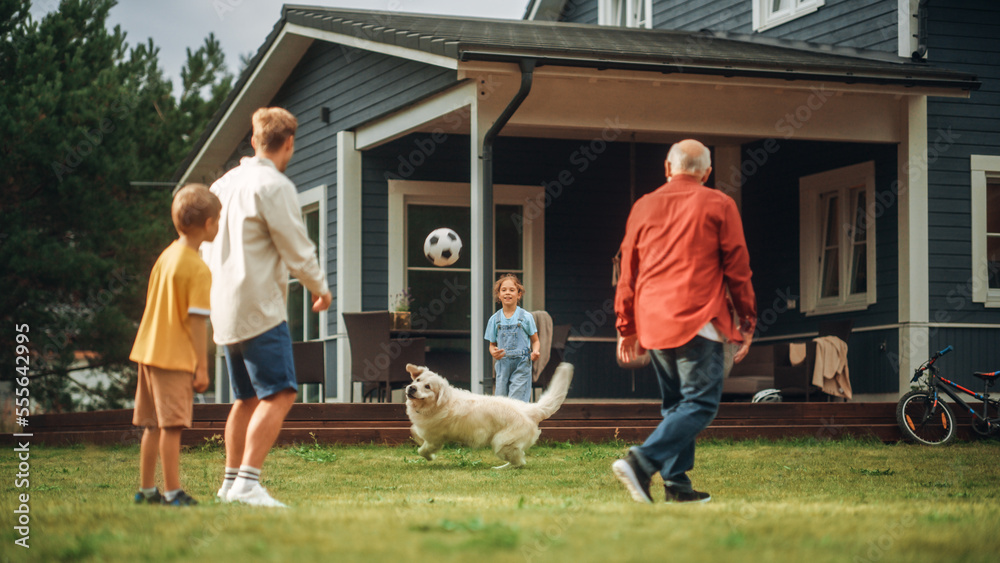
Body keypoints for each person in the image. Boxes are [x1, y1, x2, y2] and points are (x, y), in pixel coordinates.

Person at [612, 139, 756, 504]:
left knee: (677, 404)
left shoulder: (643, 206)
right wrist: (748, 320)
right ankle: (641, 462)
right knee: (700, 404)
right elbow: (737, 268)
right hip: (699, 317)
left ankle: (677, 486)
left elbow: (627, 269)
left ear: (667, 168)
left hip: (653, 321)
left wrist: (626, 325)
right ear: (707, 173)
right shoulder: (720, 203)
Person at [206, 107, 332, 508]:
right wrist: (321, 289)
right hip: (259, 306)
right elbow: (296, 247)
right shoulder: (274, 185)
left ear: (254, 138)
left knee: (245, 398)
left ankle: (229, 484)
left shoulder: (222, 185)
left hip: (224, 307)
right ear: (290, 143)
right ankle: (247, 482)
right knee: (280, 393)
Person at [129, 183, 221, 506]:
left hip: (147, 351)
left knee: (152, 425)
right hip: (172, 357)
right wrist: (202, 367)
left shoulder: (166, 256)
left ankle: (146, 490)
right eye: (218, 220)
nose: (219, 225)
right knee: (172, 426)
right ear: (208, 224)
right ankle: (172, 493)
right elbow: (197, 322)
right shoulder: (197, 268)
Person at [484, 274, 540, 402]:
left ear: (519, 294)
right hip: (502, 364)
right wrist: (493, 352)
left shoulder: (526, 317)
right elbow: (492, 344)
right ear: (499, 295)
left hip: (521, 364)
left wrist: (535, 351)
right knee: (501, 401)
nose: (507, 293)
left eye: (512, 290)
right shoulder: (494, 320)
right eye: (503, 290)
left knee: (516, 400)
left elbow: (535, 340)